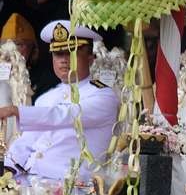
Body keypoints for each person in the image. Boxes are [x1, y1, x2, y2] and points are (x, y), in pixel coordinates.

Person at [0, 21, 119, 184]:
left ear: (91, 58)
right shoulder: (46, 98)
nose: (63, 60)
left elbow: (67, 115)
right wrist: (7, 171)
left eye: (71, 53)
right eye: (58, 54)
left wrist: (17, 111)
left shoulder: (104, 95)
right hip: (30, 180)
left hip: (72, 188)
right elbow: (26, 141)